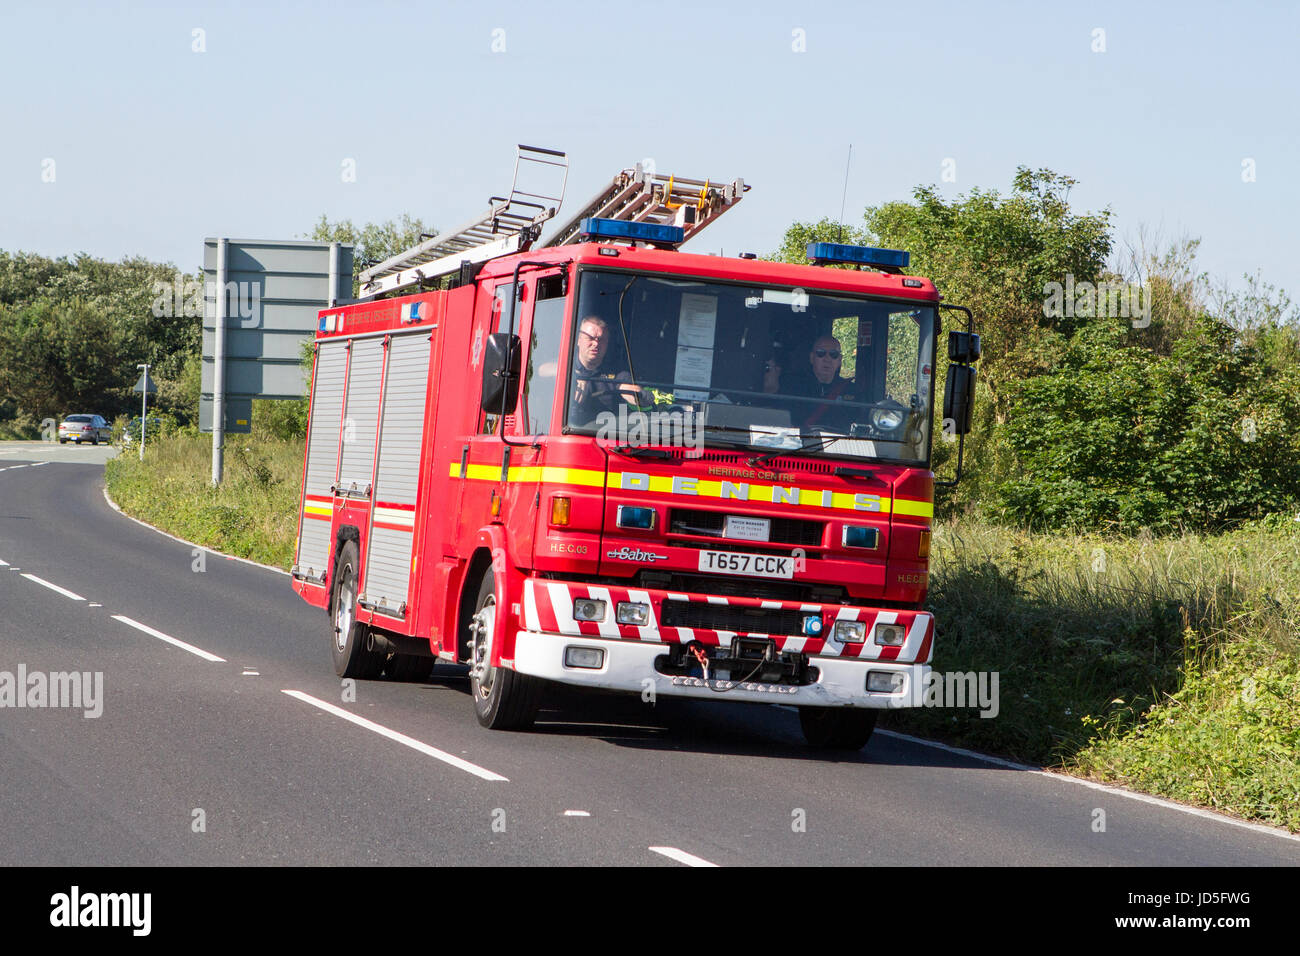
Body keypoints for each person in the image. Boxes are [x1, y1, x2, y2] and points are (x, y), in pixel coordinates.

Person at [762, 333, 859, 431]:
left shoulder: (852, 391)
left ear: (839, 360)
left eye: (833, 354)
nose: (827, 359)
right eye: (821, 353)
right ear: (812, 358)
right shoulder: (792, 386)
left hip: (839, 445)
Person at [569, 315, 644, 425]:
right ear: (578, 340)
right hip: (569, 432)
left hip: (603, 434)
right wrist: (570, 377)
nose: (596, 343)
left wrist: (634, 393)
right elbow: (542, 370)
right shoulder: (566, 365)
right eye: (590, 338)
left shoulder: (616, 373)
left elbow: (639, 395)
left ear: (607, 343)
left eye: (601, 339)